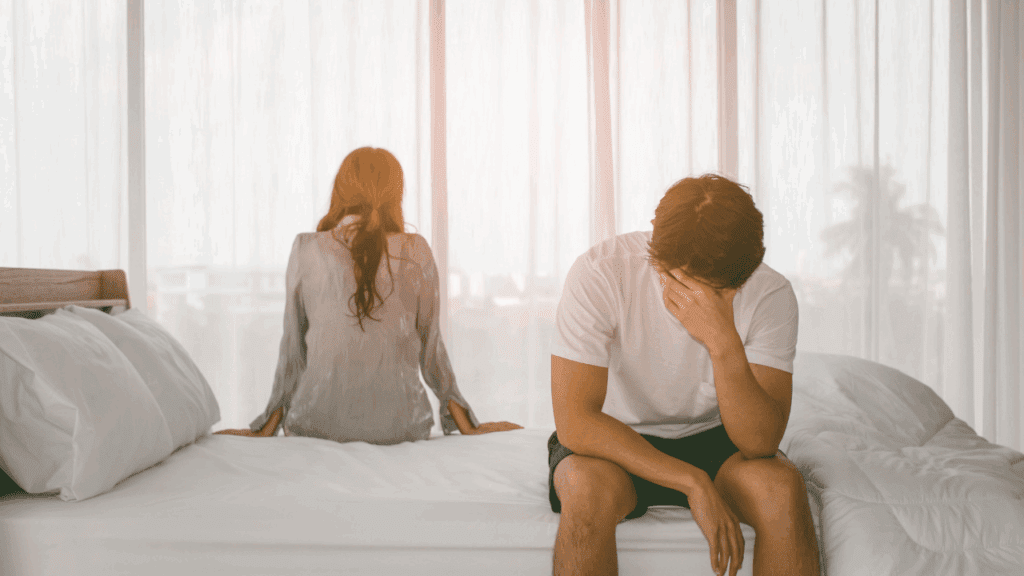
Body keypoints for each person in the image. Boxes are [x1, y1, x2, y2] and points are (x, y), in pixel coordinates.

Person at [547, 174, 820, 576]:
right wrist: (691, 482)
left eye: (715, 289)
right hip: (614, 440)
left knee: (782, 490)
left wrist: (723, 342)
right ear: (654, 243)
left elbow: (760, 442)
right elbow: (576, 422)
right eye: (679, 278)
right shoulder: (600, 272)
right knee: (584, 492)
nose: (693, 295)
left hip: (718, 438)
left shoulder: (769, 292)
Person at [216, 147, 521, 444]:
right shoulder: (416, 249)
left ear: (340, 191)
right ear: (395, 195)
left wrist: (268, 424)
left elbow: (293, 348)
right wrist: (466, 423)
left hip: (315, 423)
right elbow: (432, 348)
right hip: (401, 425)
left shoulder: (306, 248)